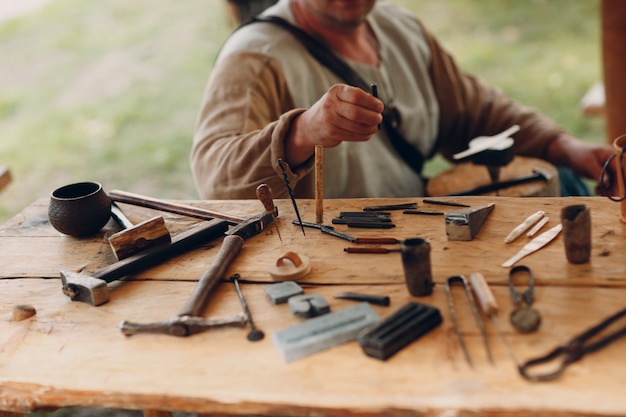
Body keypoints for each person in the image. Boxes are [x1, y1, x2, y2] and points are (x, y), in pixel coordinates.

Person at [191, 0, 619, 200]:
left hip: (416, 224)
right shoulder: (255, 57)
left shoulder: (397, 26)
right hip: (336, 252)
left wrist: (569, 148)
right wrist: (303, 133)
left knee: (562, 182)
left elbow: (475, 112)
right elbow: (214, 172)